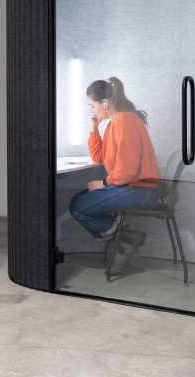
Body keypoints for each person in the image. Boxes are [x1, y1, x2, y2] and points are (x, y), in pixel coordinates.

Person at [69, 77, 162, 267]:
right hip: (134, 187)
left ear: (105, 103)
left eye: (91, 105)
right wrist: (94, 129)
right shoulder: (113, 124)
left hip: (143, 190)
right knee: (79, 201)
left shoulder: (124, 121)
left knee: (79, 207)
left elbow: (127, 170)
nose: (91, 110)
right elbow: (98, 157)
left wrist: (103, 183)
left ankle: (124, 239)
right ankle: (126, 237)